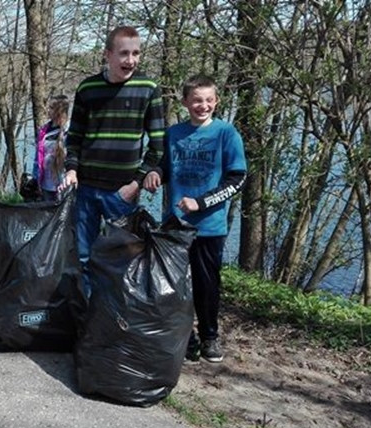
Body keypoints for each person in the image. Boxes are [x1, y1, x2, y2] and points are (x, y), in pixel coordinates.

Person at [145, 74, 247, 363]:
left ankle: (209, 337)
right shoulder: (174, 133)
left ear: (216, 101)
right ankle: (184, 336)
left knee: (206, 286)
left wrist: (200, 202)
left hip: (208, 227)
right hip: (175, 225)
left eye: (209, 100)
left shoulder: (226, 134)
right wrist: (155, 174)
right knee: (176, 287)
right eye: (197, 100)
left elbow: (237, 179)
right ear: (185, 102)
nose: (203, 105)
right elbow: (164, 167)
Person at [58, 26, 165, 296]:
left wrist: (136, 182)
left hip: (122, 193)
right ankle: (90, 317)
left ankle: (117, 319)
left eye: (136, 53)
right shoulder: (88, 88)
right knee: (84, 255)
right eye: (124, 53)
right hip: (87, 189)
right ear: (108, 54)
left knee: (123, 259)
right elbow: (75, 137)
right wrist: (72, 169)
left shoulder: (148, 89)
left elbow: (158, 144)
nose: (131, 60)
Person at [32, 95, 70, 201]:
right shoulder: (44, 130)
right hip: (46, 184)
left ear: (60, 110)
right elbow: (38, 156)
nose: (48, 110)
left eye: (51, 108)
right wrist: (36, 177)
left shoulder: (69, 130)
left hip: (63, 183)